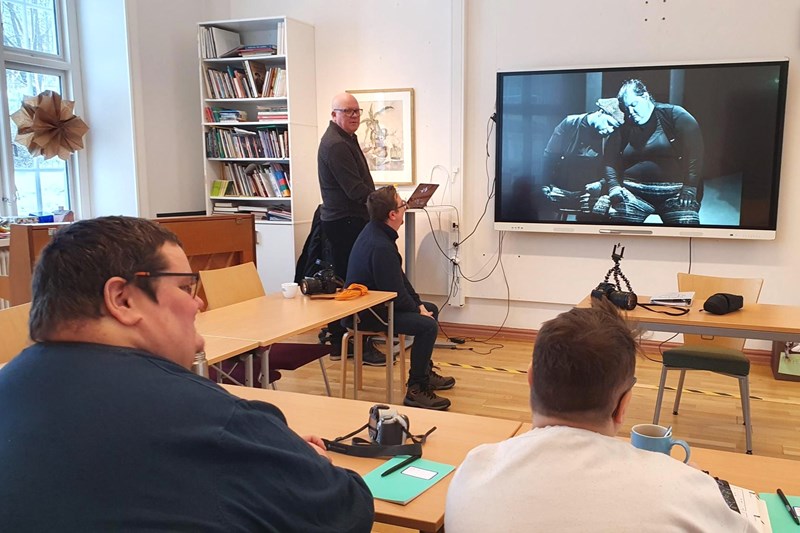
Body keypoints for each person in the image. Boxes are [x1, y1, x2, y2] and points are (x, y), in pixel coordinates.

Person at [0, 216, 374, 532]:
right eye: (184, 286)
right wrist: (302, 459)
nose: (197, 302)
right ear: (123, 299)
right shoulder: (212, 422)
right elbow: (347, 510)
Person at [445, 299, 757, 532]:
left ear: (530, 379)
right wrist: (690, 482)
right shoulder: (684, 491)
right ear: (624, 404)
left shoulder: (472, 472)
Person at [346, 186, 456, 411]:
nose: (406, 205)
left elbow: (400, 281)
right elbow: (394, 293)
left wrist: (418, 305)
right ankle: (416, 388)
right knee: (427, 326)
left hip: (379, 304)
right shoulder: (380, 245)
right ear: (392, 215)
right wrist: (417, 310)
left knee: (430, 309)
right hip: (368, 314)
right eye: (402, 203)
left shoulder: (377, 233)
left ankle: (423, 370)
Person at [317, 91, 384, 364]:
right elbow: (355, 190)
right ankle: (355, 346)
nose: (354, 116)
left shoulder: (346, 139)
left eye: (357, 111)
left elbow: (361, 187)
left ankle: (349, 342)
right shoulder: (336, 145)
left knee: (355, 282)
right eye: (348, 111)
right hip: (345, 223)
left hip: (350, 220)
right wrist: (385, 203)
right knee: (356, 285)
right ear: (334, 115)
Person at [605, 78, 705, 224]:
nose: (631, 112)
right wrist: (613, 186)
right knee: (617, 227)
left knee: (686, 229)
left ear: (645, 96)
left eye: (634, 104)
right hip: (633, 193)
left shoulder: (675, 115)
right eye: (627, 108)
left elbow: (696, 154)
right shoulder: (626, 124)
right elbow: (609, 158)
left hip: (675, 193)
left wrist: (690, 187)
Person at [539, 98, 624, 221]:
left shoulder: (611, 136)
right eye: (609, 124)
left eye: (614, 128)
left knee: (599, 215)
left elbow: (614, 167)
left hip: (591, 192)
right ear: (601, 112)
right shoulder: (569, 123)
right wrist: (544, 184)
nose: (610, 130)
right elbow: (550, 157)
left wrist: (601, 184)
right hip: (561, 187)